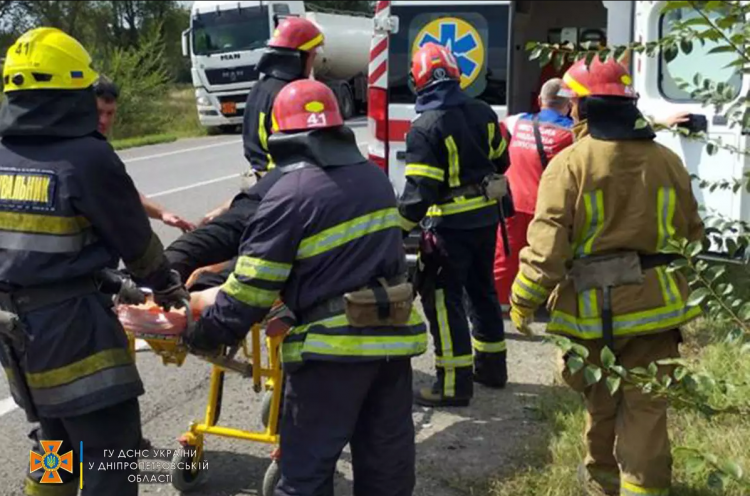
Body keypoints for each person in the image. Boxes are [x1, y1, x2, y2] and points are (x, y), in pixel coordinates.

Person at [183, 79, 427, 495]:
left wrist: (203, 333)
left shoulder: (290, 194)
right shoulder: (374, 179)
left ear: (281, 137)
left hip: (330, 356)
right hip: (391, 344)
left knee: (305, 477)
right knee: (387, 469)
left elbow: (251, 289)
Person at [0, 27, 189, 496]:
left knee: (55, 444)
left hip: (17, 339)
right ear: (72, 92)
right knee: (115, 462)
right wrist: (167, 290)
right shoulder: (87, 157)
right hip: (75, 338)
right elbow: (138, 244)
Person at [509, 57, 704, 496]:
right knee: (646, 405)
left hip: (592, 313)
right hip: (657, 309)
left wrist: (523, 300)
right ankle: (640, 485)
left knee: (599, 395)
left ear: (580, 107)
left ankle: (602, 481)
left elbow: (547, 248)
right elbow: (693, 235)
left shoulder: (570, 164)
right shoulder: (667, 161)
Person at [397, 42, 511, 408]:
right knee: (483, 291)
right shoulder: (483, 112)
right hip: (485, 220)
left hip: (449, 229)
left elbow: (420, 192)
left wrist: (392, 231)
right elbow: (502, 161)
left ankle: (453, 385)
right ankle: (492, 368)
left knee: (445, 301)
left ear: (418, 80)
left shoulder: (424, 128)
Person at [199, 16, 323, 226]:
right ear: (297, 57)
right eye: (312, 55)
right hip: (286, 190)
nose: (313, 63)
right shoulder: (292, 96)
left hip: (261, 183)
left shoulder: (260, 88)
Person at [493, 78, 574, 311]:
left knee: (505, 258)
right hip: (547, 208)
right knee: (549, 258)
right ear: (569, 104)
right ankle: (547, 304)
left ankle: (499, 305)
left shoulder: (516, 122)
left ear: (539, 100)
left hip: (512, 203)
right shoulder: (571, 133)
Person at [93, 77, 196, 233]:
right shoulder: (89, 151)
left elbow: (125, 192)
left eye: (110, 113)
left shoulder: (99, 147)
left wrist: (163, 213)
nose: (104, 120)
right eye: (98, 112)